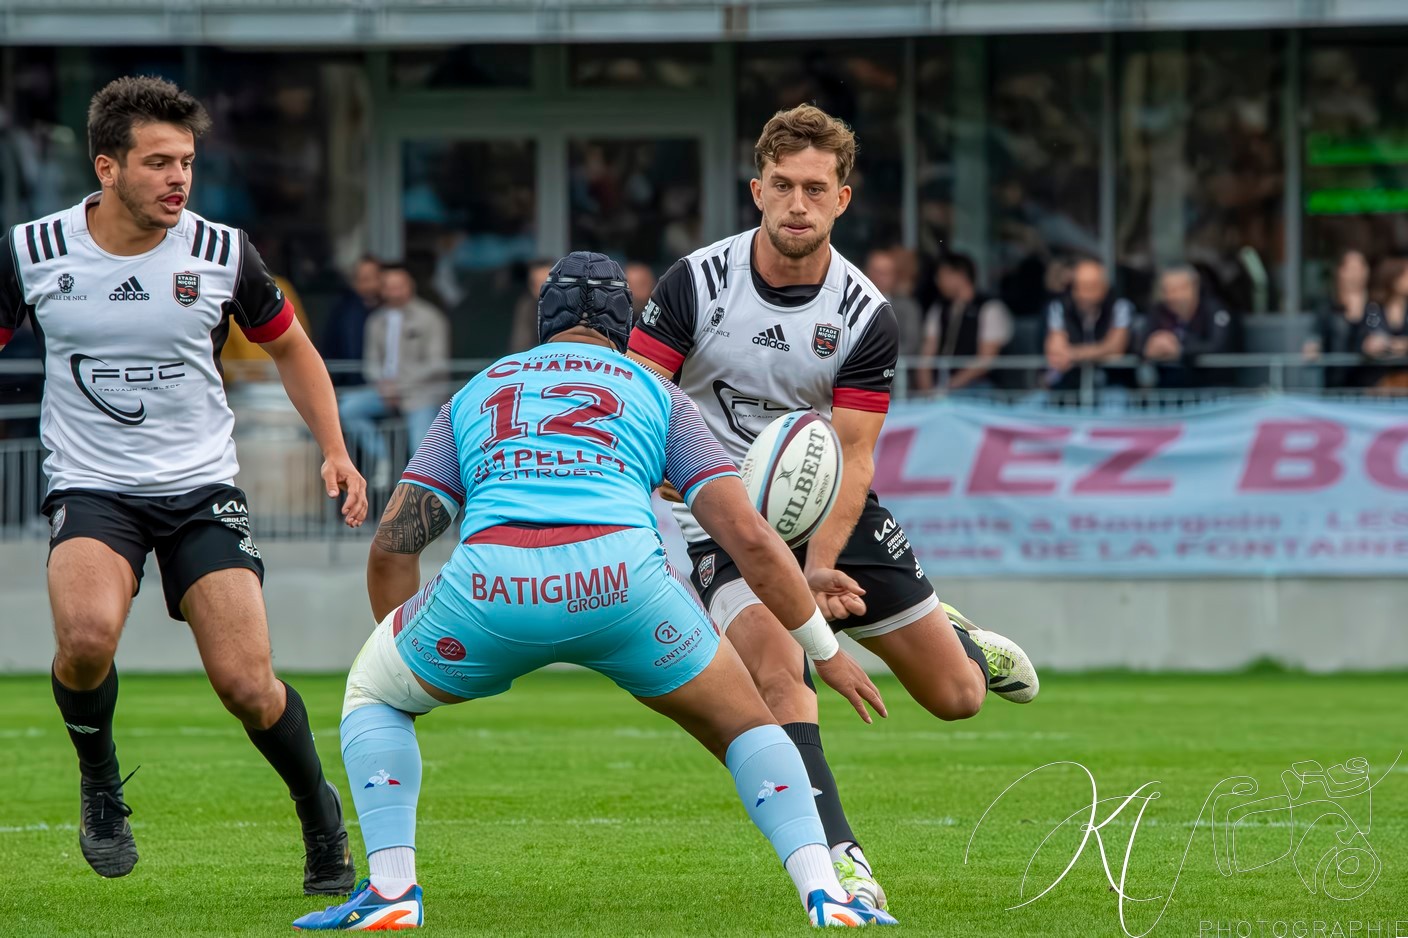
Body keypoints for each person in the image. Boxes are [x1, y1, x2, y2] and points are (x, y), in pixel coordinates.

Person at [292, 253, 898, 931]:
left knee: (373, 692)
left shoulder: (481, 388)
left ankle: (393, 890)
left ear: (544, 318)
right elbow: (751, 541)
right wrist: (824, 648)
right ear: (625, 326)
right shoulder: (659, 394)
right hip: (625, 586)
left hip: (491, 585)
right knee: (751, 725)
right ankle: (827, 892)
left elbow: (395, 542)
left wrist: (409, 650)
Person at [628, 103, 1039, 910]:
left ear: (842, 200)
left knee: (957, 698)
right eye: (781, 185)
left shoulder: (861, 313)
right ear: (756, 189)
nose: (797, 205)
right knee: (783, 678)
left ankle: (952, 633)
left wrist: (818, 567)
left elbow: (853, 457)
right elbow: (640, 405)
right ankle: (841, 861)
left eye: (815, 189)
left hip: (828, 513)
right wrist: (675, 475)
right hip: (721, 522)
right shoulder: (695, 284)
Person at [0, 76, 367, 891]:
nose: (178, 180)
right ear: (106, 167)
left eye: (187, 163)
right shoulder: (33, 252)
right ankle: (100, 785)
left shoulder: (222, 253)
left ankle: (319, 815)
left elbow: (294, 350)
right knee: (86, 639)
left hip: (201, 489)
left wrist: (335, 450)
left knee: (247, 686)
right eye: (158, 162)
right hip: (91, 487)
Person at [339, 265, 451, 484]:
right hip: (383, 391)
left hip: (421, 393)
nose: (394, 292)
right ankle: (383, 458)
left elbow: (437, 363)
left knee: (421, 448)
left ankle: (423, 493)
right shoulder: (376, 320)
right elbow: (371, 362)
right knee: (347, 409)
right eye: (389, 287)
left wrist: (398, 385)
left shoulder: (430, 317)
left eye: (399, 286)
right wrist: (382, 383)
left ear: (410, 286)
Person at [913, 252, 1013, 393]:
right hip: (940, 388)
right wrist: (927, 392)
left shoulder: (990, 308)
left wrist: (949, 387)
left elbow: (985, 360)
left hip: (978, 389)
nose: (937, 282)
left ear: (960, 275)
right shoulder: (939, 309)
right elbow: (926, 355)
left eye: (942, 276)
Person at [1043, 257, 1135, 392]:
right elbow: (1056, 350)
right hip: (1069, 384)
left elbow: (1116, 347)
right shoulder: (1059, 307)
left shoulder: (1120, 307)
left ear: (1104, 286)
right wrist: (1099, 352)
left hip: (1113, 383)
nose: (1085, 294)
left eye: (1091, 287)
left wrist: (1074, 354)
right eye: (1080, 287)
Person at [1139, 265, 1236, 388]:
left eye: (1178, 289)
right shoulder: (1159, 311)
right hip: (1168, 392)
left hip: (1211, 389)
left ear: (1194, 287)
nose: (1172, 296)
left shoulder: (1214, 310)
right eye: (1166, 290)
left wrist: (1180, 349)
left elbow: (1219, 345)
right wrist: (1150, 347)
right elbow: (1140, 342)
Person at [318, 255, 382, 387]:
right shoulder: (343, 311)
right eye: (363, 279)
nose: (368, 284)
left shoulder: (391, 309)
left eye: (373, 278)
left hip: (391, 387)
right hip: (350, 385)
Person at [1362, 257, 1408, 391]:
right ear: (1393, 278)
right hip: (1379, 381)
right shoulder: (1374, 309)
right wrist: (1396, 344)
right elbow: (1371, 343)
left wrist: (1396, 344)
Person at [508, 257, 555, 353]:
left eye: (546, 283)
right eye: (536, 284)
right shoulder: (527, 306)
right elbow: (520, 346)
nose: (542, 290)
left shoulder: (574, 304)